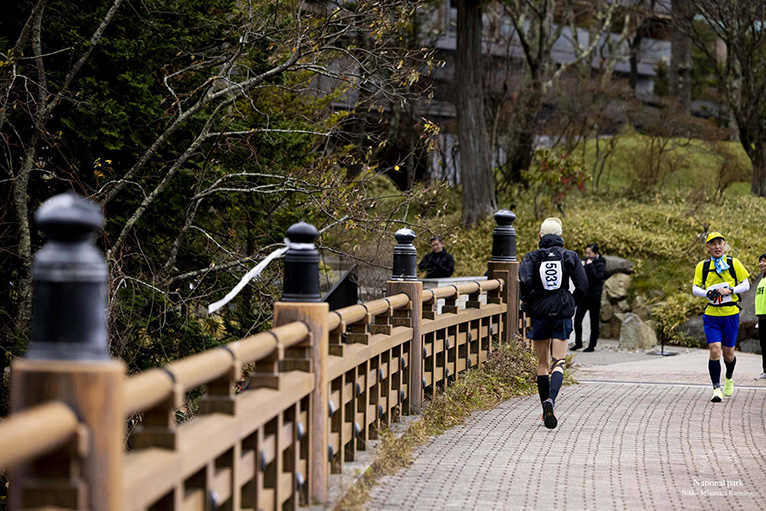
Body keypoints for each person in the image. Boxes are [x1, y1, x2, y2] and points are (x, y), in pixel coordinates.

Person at [519, 217, 588, 429]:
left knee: (542, 364)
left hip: (540, 313)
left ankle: (544, 409)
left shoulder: (531, 258)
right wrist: (571, 304)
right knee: (559, 361)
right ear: (560, 237)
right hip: (562, 313)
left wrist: (530, 306)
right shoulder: (570, 256)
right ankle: (552, 400)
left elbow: (525, 284)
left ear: (540, 237)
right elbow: (583, 285)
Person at [692, 232, 750, 402]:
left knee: (728, 355)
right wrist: (707, 293)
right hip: (711, 315)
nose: (717, 246)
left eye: (720, 243)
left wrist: (731, 290)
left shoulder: (733, 263)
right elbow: (695, 288)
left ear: (724, 245)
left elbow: (746, 284)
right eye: (713, 244)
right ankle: (716, 389)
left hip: (730, 314)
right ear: (707, 247)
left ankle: (729, 377)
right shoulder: (702, 266)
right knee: (714, 350)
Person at [572, 243, 606, 352]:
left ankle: (592, 345)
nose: (587, 255)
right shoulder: (584, 261)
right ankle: (578, 343)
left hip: (595, 296)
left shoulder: (601, 263)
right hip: (584, 295)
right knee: (577, 320)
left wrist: (590, 265)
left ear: (595, 253)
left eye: (589, 253)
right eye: (586, 253)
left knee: (594, 321)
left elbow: (598, 277)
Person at [755, 254, 766, 380]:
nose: (762, 263)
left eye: (764, 261)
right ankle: (765, 371)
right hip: (762, 317)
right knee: (763, 345)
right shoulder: (762, 280)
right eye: (760, 261)